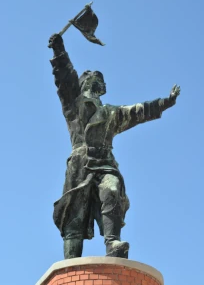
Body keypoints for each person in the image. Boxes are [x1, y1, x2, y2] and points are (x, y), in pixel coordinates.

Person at [48, 33, 180, 259]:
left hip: (105, 164)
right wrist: (59, 51)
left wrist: (165, 102)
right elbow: (65, 79)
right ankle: (70, 263)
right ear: (84, 83)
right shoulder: (73, 104)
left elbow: (138, 111)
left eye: (99, 79)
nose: (97, 80)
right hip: (80, 165)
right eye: (91, 77)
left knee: (111, 190)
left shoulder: (110, 113)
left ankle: (112, 244)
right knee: (74, 217)